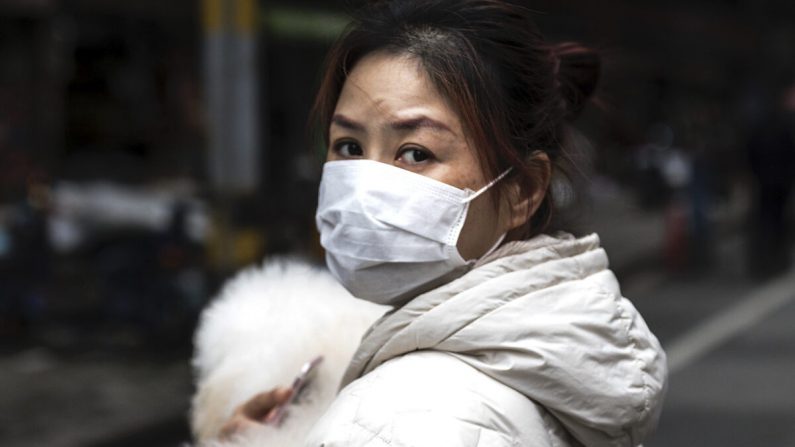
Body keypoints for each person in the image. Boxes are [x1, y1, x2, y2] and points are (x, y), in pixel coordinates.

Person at [207, 1, 668, 445]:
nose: (366, 186)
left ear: (523, 190)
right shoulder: (556, 361)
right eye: (348, 147)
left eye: (415, 153)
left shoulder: (399, 418)